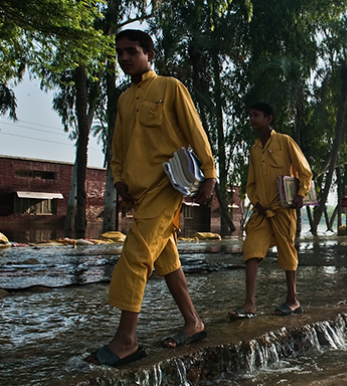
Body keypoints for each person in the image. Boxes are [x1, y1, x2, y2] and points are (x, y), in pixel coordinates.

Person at [84, 29, 217, 367]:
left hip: (167, 187)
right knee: (167, 261)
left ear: (149, 55)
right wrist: (118, 179)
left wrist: (210, 174)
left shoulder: (170, 87)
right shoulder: (124, 100)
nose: (124, 57)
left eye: (132, 51)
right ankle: (193, 322)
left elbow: (195, 130)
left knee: (135, 256)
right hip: (139, 193)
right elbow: (119, 146)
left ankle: (126, 341)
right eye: (120, 52)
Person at [228, 102, 312, 319]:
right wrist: (256, 202)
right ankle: (249, 304)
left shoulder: (285, 142)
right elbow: (251, 183)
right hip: (262, 212)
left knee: (287, 252)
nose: (251, 119)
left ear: (268, 118)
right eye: (250, 115)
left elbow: (305, 171)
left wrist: (301, 194)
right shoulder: (255, 149)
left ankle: (293, 300)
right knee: (251, 249)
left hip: (283, 209)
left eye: (255, 115)